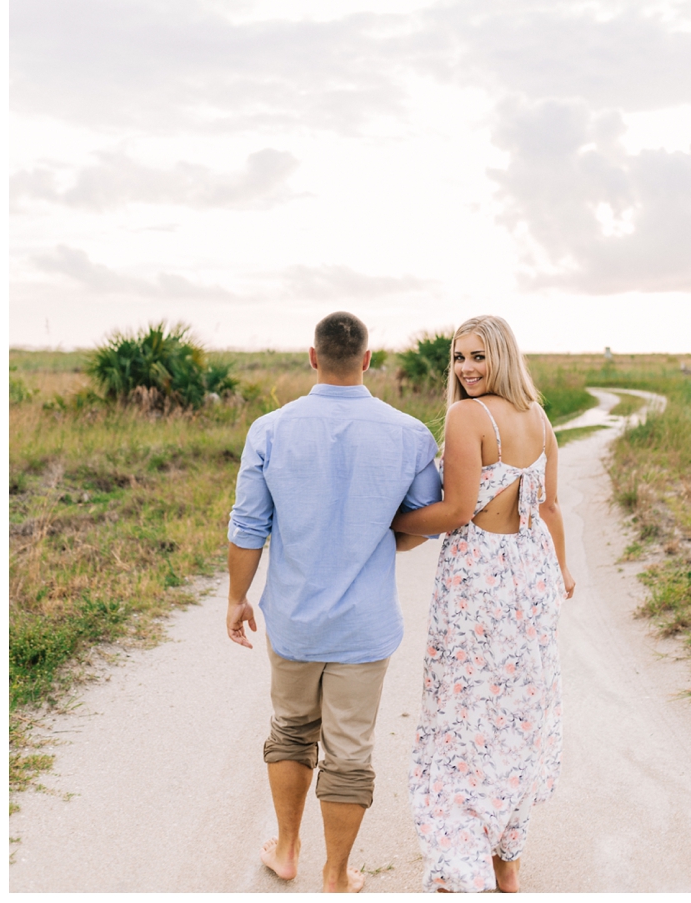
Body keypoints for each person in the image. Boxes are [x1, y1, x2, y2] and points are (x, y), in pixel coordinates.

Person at [226, 311, 440, 894]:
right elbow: (425, 520)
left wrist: (237, 599)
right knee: (349, 752)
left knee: (292, 731)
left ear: (313, 356)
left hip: (293, 620)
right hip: (364, 627)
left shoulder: (270, 429)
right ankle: (337, 874)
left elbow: (248, 526)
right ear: (367, 359)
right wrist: (378, 539)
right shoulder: (409, 433)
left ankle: (288, 851)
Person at [391, 315, 575, 894]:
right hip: (532, 576)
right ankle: (508, 859)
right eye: (458, 358)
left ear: (502, 356)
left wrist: (384, 525)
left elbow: (454, 512)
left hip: (481, 586)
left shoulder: (469, 416)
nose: (466, 369)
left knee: (462, 717)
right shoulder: (539, 416)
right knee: (517, 715)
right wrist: (562, 569)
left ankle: (460, 862)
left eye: (478, 356)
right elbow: (548, 510)